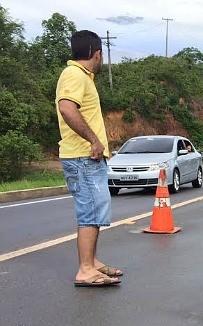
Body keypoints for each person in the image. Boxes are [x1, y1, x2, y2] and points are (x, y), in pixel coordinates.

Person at [56, 30, 122, 287]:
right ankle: (85, 269)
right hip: (82, 157)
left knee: (95, 209)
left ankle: (92, 262)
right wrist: (94, 140)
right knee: (90, 213)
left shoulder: (82, 76)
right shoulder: (74, 75)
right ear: (97, 53)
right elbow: (66, 108)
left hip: (87, 158)